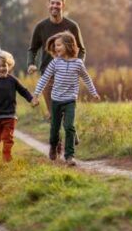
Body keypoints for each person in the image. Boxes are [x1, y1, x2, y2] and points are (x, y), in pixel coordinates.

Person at [27, 0, 86, 149]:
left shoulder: (72, 26)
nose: (55, 6)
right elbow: (32, 49)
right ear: (48, 5)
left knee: (67, 109)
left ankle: (69, 134)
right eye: (52, 3)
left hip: (68, 74)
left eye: (58, 3)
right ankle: (57, 143)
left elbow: (81, 49)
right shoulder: (41, 27)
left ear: (63, 5)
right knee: (54, 113)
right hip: (48, 74)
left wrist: (77, 65)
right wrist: (31, 63)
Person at [32, 31, 100, 166]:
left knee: (69, 126)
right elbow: (44, 79)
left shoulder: (78, 63)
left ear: (68, 45)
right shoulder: (55, 63)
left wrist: (94, 92)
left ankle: (69, 156)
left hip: (70, 100)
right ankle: (53, 146)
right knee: (54, 129)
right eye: (55, 45)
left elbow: (86, 78)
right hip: (56, 100)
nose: (56, 48)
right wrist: (35, 95)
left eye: (59, 45)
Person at [0, 50, 38, 162]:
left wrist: (31, 99)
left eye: (4, 66)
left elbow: (23, 91)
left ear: (9, 66)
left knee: (7, 137)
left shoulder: (12, 80)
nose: (1, 68)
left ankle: (6, 157)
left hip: (10, 115)